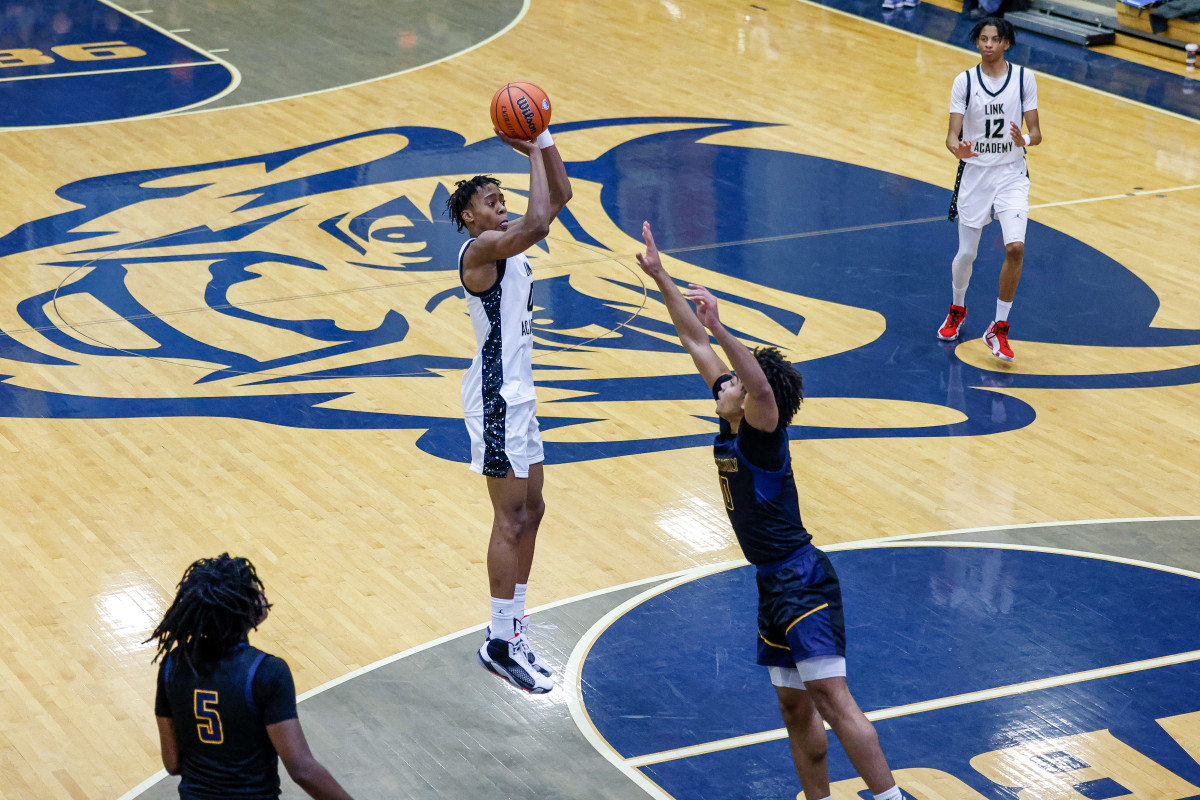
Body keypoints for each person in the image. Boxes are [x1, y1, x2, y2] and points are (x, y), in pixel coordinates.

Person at [635, 222, 903, 800]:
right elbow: (693, 343)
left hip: (802, 579)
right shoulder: (730, 416)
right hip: (770, 582)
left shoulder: (760, 429)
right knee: (792, 704)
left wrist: (725, 327)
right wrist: (661, 277)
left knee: (832, 698)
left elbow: (754, 383)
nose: (722, 383)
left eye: (731, 380)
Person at [445, 122, 572, 694]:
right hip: (496, 399)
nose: (502, 206)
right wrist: (535, 143)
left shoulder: (510, 237)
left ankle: (514, 631)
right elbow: (541, 219)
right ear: (469, 218)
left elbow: (559, 199)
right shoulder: (481, 250)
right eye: (491, 201)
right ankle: (499, 639)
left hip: (520, 395)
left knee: (535, 510)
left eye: (503, 199)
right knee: (510, 517)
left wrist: (543, 146)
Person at [146, 554, 355, 800]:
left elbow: (172, 763)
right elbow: (302, 770)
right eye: (254, 591)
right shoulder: (266, 672)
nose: (262, 595)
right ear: (239, 609)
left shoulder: (172, 665)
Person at [938, 17, 1041, 362]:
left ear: (1006, 43)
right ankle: (958, 307)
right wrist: (958, 149)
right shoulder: (964, 81)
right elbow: (951, 135)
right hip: (976, 174)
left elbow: (1036, 134)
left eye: (994, 39)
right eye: (983, 39)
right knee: (967, 254)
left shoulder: (1024, 78)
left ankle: (998, 327)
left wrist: (1022, 139)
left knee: (1015, 248)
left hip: (1011, 174)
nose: (988, 44)